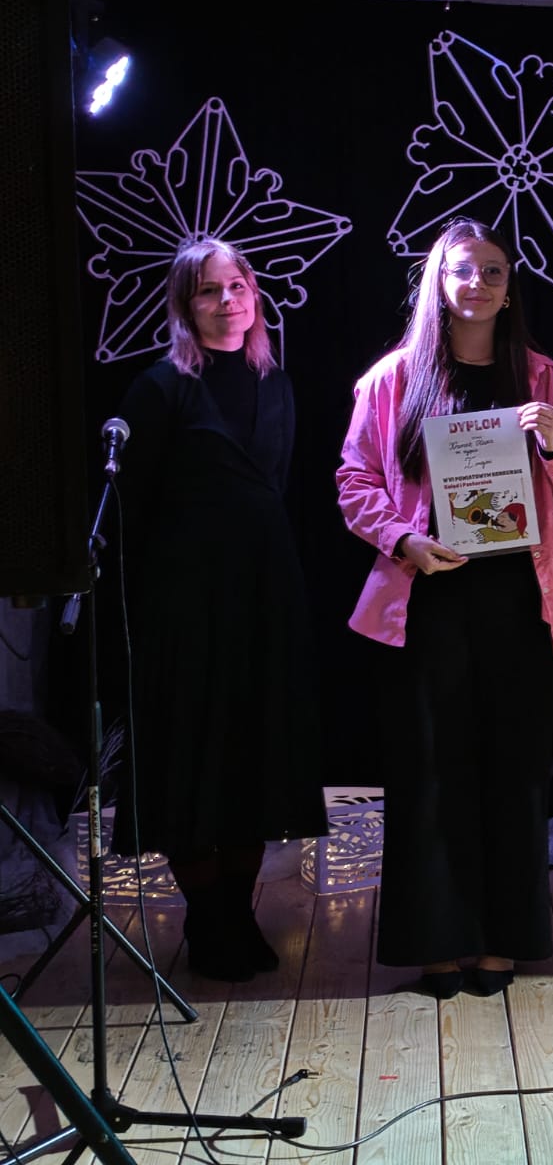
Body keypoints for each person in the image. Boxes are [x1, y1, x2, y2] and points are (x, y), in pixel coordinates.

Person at [337, 217, 553, 997]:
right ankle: (438, 944)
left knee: (514, 774)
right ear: (437, 283)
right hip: (428, 600)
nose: (477, 283)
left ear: (509, 290)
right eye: (461, 270)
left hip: (520, 603)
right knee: (430, 773)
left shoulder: (543, 379)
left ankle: (503, 940)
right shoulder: (391, 380)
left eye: (492, 271)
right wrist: (403, 540)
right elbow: (354, 483)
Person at [113, 239, 327, 982]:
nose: (226, 300)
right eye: (208, 290)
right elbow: (131, 508)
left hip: (264, 596)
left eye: (236, 286)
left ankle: (237, 911)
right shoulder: (159, 388)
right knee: (191, 759)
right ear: (185, 304)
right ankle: (207, 919)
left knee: (253, 755)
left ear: (254, 295)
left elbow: (278, 488)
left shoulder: (277, 384)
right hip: (186, 603)